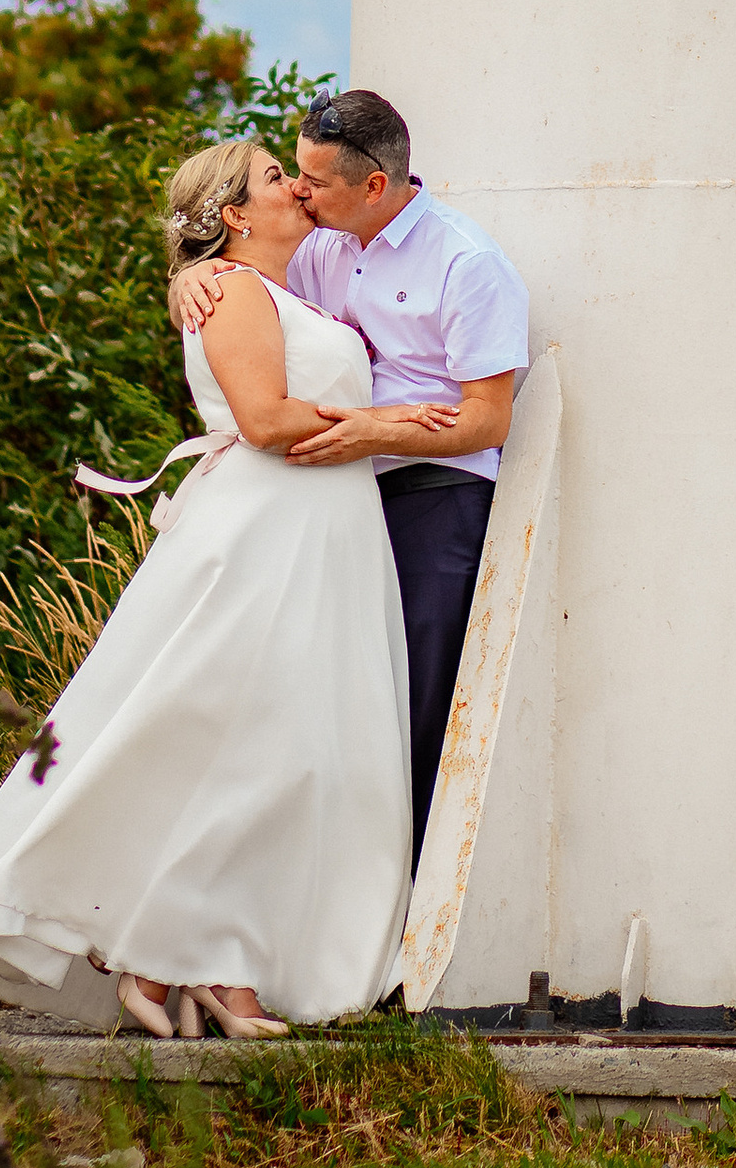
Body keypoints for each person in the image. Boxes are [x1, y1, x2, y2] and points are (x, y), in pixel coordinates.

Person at [0, 137, 456, 1035]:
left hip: (326, 535)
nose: (298, 187)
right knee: (233, 743)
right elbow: (265, 419)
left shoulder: (275, 282)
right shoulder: (233, 288)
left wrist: (189, 272)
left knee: (283, 753)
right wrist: (383, 419)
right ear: (235, 214)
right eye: (276, 176)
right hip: (270, 533)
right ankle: (170, 955)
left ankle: (200, 962)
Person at [170, 87, 527, 864]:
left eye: (314, 181)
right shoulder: (318, 246)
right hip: (334, 501)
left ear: (373, 185)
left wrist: (376, 430)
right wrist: (189, 276)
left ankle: (412, 896)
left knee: (417, 699)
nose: (299, 192)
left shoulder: (467, 263)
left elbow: (489, 421)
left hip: (436, 498)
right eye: (292, 175)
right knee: (334, 701)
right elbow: (245, 286)